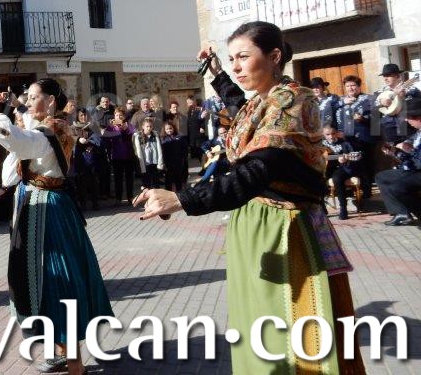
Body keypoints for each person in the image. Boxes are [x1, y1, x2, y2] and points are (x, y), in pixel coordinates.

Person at [135, 21, 364, 373]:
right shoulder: (263, 101)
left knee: (291, 336)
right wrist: (217, 74)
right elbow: (241, 107)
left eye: (243, 57)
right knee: (257, 325)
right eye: (232, 59)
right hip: (258, 228)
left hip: (287, 231)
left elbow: (258, 170)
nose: (237, 67)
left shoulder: (294, 101)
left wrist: (183, 199)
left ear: (274, 56)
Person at [0, 80, 113, 375]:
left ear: (50, 100)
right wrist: (15, 103)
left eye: (33, 97)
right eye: (27, 97)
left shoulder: (53, 129)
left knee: (57, 279)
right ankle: (62, 353)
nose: (27, 102)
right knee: (37, 279)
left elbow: (21, 141)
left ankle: (75, 365)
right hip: (36, 205)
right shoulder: (47, 124)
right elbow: (25, 132)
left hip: (48, 210)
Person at [375, 96, 421, 225]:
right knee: (382, 177)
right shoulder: (418, 132)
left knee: (398, 187)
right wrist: (396, 151)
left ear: (418, 118)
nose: (406, 120)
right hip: (413, 170)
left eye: (408, 117)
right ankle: (402, 213)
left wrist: (403, 152)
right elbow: (412, 152)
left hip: (417, 171)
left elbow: (418, 162)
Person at [337, 75, 375, 197]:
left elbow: (376, 119)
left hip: (363, 139)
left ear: (359, 86)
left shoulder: (368, 99)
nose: (350, 88)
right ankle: (351, 189)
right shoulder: (340, 100)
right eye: (348, 86)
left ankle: (367, 190)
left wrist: (363, 119)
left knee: (364, 165)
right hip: (345, 139)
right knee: (348, 164)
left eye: (353, 85)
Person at [373, 63, 419, 144]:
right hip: (390, 133)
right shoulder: (379, 93)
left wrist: (403, 98)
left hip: (410, 132)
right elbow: (373, 110)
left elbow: (418, 107)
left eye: (388, 75)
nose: (385, 78)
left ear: (398, 76)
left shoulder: (412, 90)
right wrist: (380, 102)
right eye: (384, 76)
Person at [322, 126, 357, 220]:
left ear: (337, 133)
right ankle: (322, 206)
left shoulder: (345, 144)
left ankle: (343, 208)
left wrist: (346, 160)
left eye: (333, 133)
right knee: (317, 177)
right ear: (323, 135)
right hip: (326, 168)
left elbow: (354, 158)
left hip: (342, 168)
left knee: (337, 178)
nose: (331, 136)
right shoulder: (321, 145)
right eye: (328, 134)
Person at [103, 106, 136, 204]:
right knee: (118, 178)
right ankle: (118, 198)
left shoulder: (129, 125)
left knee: (129, 178)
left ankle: (130, 197)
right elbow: (106, 139)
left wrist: (125, 129)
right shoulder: (111, 127)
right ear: (114, 116)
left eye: (121, 115)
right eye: (117, 115)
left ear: (124, 116)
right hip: (116, 156)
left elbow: (134, 135)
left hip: (128, 155)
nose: (118, 117)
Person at [133, 118, 164, 189]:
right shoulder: (138, 137)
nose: (149, 128)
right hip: (145, 163)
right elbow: (137, 151)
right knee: (146, 183)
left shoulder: (155, 135)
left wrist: (160, 162)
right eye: (147, 126)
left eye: (150, 126)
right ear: (143, 127)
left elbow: (159, 149)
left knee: (156, 182)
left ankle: (156, 194)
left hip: (154, 162)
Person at [160, 121, 188, 192]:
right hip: (168, 162)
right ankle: (168, 193)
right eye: (167, 129)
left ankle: (179, 192)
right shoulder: (163, 139)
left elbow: (185, 148)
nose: (169, 130)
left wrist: (183, 158)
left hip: (178, 162)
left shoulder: (179, 137)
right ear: (164, 130)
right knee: (168, 179)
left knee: (178, 178)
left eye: (170, 128)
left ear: (173, 128)